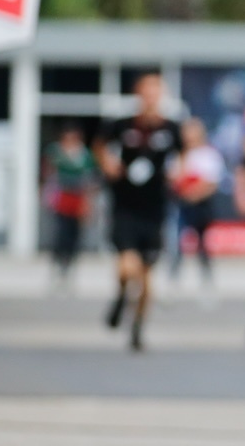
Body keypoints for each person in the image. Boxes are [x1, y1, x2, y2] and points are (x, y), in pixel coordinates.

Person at [96, 74, 182, 351]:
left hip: (155, 208)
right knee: (126, 265)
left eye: (155, 91)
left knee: (146, 274)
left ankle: (138, 326)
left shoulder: (171, 128)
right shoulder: (121, 125)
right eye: (146, 91)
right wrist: (108, 164)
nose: (150, 97)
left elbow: (184, 154)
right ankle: (121, 294)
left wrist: (179, 173)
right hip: (125, 205)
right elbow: (99, 145)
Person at [171, 118, 225, 284]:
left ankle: (207, 278)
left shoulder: (209, 154)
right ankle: (174, 278)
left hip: (202, 205)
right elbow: (173, 178)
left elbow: (212, 182)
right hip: (181, 205)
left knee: (203, 244)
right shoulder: (179, 155)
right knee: (176, 242)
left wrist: (195, 193)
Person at [43, 125, 96, 287]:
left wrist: (88, 203)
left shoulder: (84, 155)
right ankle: (57, 264)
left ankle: (69, 267)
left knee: (75, 235)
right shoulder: (57, 152)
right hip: (62, 198)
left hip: (78, 198)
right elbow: (48, 172)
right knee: (60, 233)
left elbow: (90, 180)